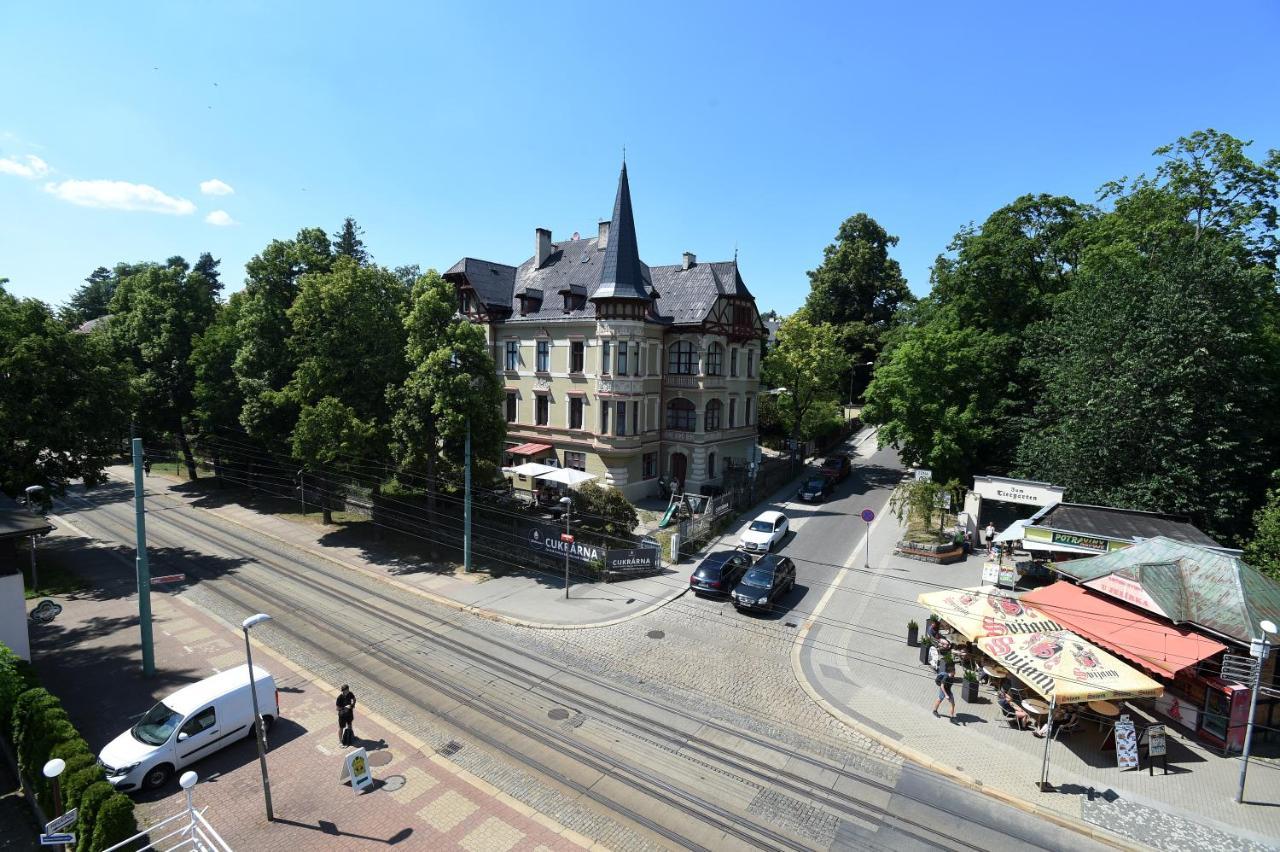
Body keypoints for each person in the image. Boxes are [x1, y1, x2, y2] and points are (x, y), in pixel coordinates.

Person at [932, 652, 955, 718]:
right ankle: (935, 711)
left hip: (948, 689)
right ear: (951, 672)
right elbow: (942, 686)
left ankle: (952, 716)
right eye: (954, 671)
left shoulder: (952, 676)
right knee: (940, 699)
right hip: (944, 690)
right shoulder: (946, 677)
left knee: (953, 703)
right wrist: (946, 695)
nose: (955, 672)